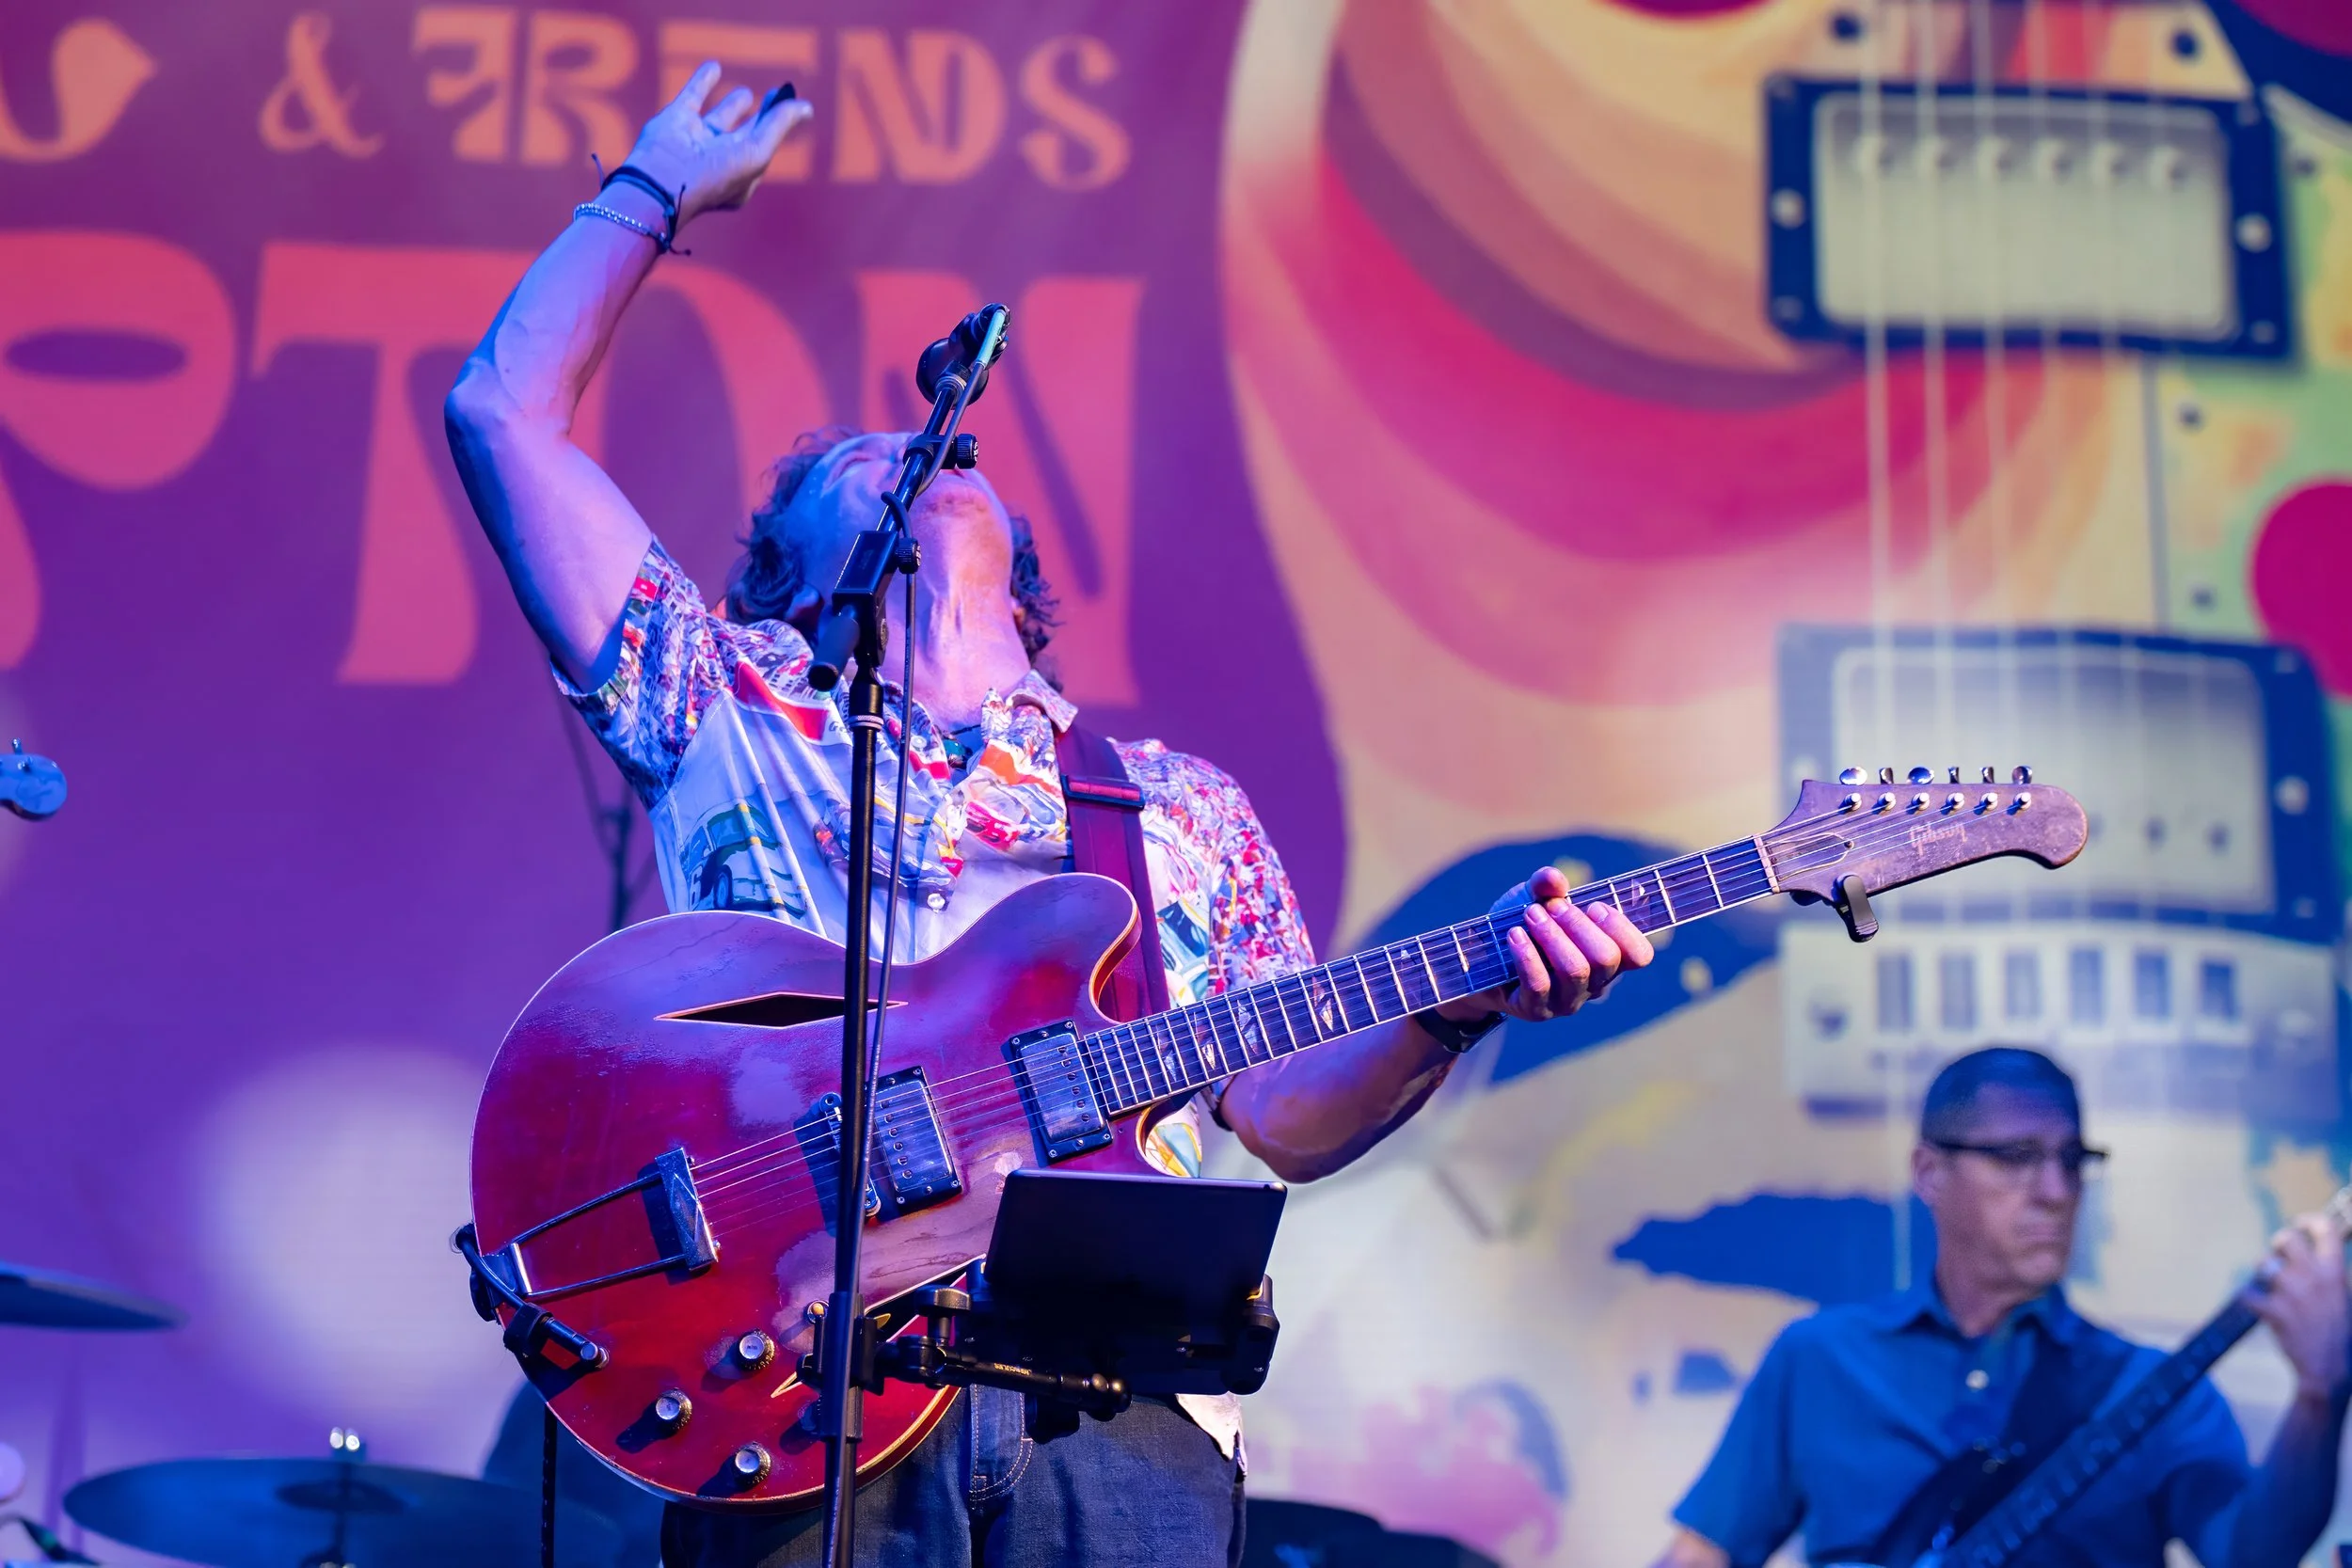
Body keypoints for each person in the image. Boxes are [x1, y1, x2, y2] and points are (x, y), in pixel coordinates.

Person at [443, 66, 1656, 1568]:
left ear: (1021, 571)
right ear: (801, 580)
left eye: (947, 456)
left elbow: (1283, 1114)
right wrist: (653, 194)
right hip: (807, 1376)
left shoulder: (1176, 810)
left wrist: (1455, 1002)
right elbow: (503, 413)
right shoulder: (731, 706)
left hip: (1112, 1405)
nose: (924, 456)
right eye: (868, 462)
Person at [1652, 1046, 2350, 1568]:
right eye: (2017, 1157)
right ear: (1930, 1171)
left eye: (2072, 1160)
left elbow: (2255, 1555)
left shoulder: (2147, 1387)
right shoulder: (1819, 1359)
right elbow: (1702, 1553)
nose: (2055, 1191)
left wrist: (2321, 1393)